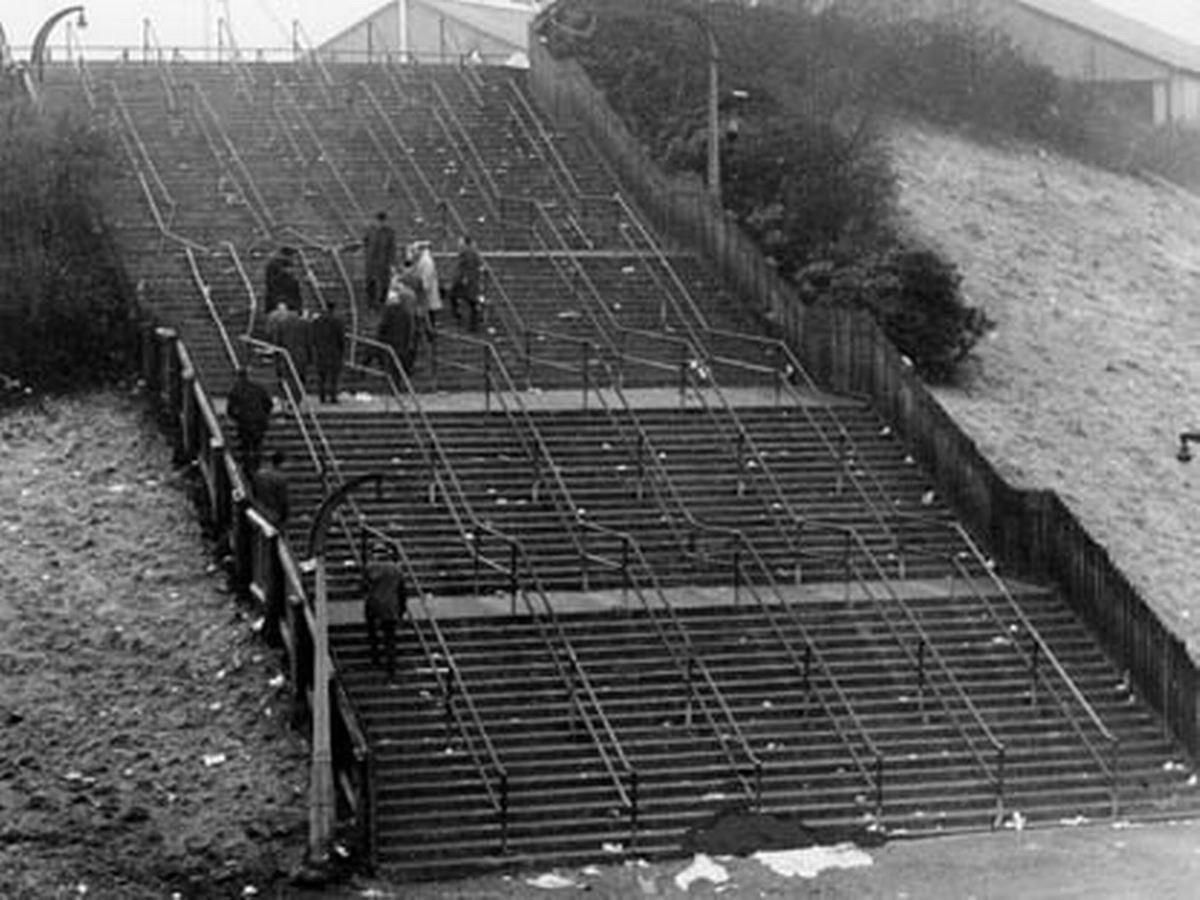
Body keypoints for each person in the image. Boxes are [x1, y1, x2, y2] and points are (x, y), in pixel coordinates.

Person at [363, 546, 407, 679]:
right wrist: (402, 608)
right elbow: (402, 591)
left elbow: (364, 586)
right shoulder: (396, 569)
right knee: (390, 637)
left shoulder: (369, 567)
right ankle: (391, 667)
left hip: (373, 604)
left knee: (372, 631)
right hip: (391, 606)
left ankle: (375, 657)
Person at [225, 366, 273, 475]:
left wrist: (237, 418)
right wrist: (264, 415)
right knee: (257, 445)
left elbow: (230, 409)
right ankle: (256, 466)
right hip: (260, 422)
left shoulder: (235, 389)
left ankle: (247, 470)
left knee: (246, 446)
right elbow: (269, 404)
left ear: (238, 377)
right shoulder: (259, 388)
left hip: (245, 422)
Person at [377, 267, 420, 380]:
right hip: (403, 336)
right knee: (402, 359)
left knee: (393, 362)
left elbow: (384, 325)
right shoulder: (410, 296)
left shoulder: (398, 297)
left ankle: (395, 379)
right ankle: (402, 377)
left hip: (394, 338)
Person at [310, 300, 347, 404]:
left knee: (321, 376)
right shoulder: (337, 322)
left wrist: (315, 348)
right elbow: (341, 338)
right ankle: (333, 396)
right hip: (334, 352)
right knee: (333, 377)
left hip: (321, 352)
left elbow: (313, 337)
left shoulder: (317, 321)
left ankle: (321, 396)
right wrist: (342, 351)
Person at [449, 232, 483, 333]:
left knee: (462, 299)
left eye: (460, 242)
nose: (458, 244)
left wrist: (462, 278)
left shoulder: (468, 253)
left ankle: (467, 322)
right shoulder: (470, 253)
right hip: (468, 282)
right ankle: (470, 323)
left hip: (466, 282)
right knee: (470, 302)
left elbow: (465, 268)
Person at [363, 211, 396, 311]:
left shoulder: (389, 233)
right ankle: (370, 303)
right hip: (371, 262)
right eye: (379, 221)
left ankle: (382, 302)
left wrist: (391, 263)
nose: (381, 223)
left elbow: (392, 248)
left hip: (384, 263)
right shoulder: (370, 231)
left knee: (384, 283)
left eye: (383, 221)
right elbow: (365, 242)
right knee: (370, 283)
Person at [412, 241, 442, 338]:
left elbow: (426, 278)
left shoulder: (426, 261)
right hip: (425, 292)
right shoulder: (422, 260)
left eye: (414, 250)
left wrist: (423, 289)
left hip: (426, 293)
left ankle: (430, 334)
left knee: (428, 314)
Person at [253, 450, 290, 530]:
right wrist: (284, 516)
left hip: (260, 510)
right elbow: (283, 500)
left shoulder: (258, 476)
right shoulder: (280, 478)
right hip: (274, 513)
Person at [264, 246, 302, 313]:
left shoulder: (278, 268)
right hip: (282, 304)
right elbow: (276, 288)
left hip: (286, 303)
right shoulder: (278, 270)